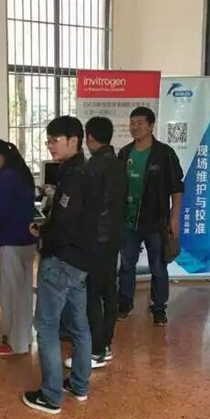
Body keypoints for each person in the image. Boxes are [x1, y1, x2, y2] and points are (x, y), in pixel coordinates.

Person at [23, 116, 101, 415]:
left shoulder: (74, 175)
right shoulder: (87, 171)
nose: (50, 146)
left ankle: (51, 396)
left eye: (55, 140)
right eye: (48, 140)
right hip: (81, 260)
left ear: (74, 141)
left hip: (62, 260)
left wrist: (44, 235)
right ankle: (79, 385)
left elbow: (65, 223)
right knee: (79, 326)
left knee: (46, 327)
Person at [63, 117, 126, 369]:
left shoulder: (92, 167)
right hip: (114, 237)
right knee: (109, 291)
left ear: (89, 138)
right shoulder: (120, 163)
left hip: (95, 239)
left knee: (91, 294)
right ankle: (106, 345)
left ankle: (96, 350)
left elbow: (86, 207)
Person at [117, 107, 184, 326]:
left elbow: (177, 188)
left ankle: (158, 307)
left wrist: (174, 218)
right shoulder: (124, 153)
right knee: (127, 265)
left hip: (156, 222)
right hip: (128, 222)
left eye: (140, 123)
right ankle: (124, 303)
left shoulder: (164, 154)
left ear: (151, 126)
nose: (135, 127)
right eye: (132, 123)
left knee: (158, 267)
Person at [0, 139, 37, 357]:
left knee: (12, 293)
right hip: (28, 239)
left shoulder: (5, 178)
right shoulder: (23, 174)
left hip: (12, 241)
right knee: (24, 292)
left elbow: (2, 211)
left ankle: (15, 343)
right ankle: (24, 339)